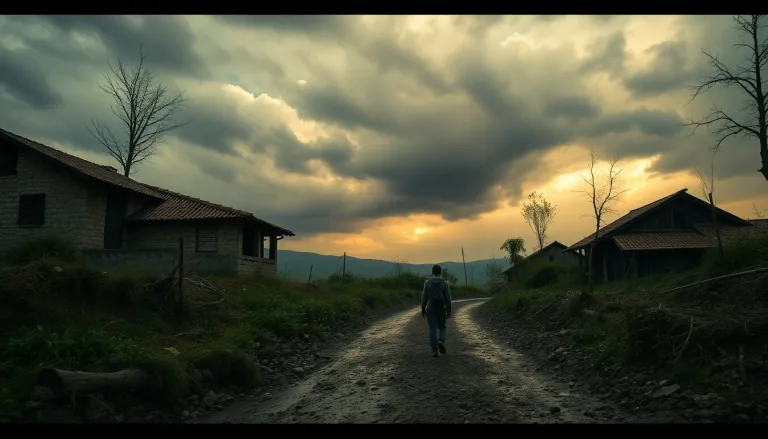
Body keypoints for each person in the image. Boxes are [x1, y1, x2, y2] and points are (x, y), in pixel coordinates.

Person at [421, 264, 452, 357]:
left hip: (431, 307)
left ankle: (434, 349)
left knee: (432, 328)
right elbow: (448, 298)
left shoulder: (427, 283)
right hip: (441, 307)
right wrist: (449, 310)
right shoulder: (445, 283)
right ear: (440, 272)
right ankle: (440, 341)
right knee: (442, 326)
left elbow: (424, 297)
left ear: (432, 272)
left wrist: (423, 308)